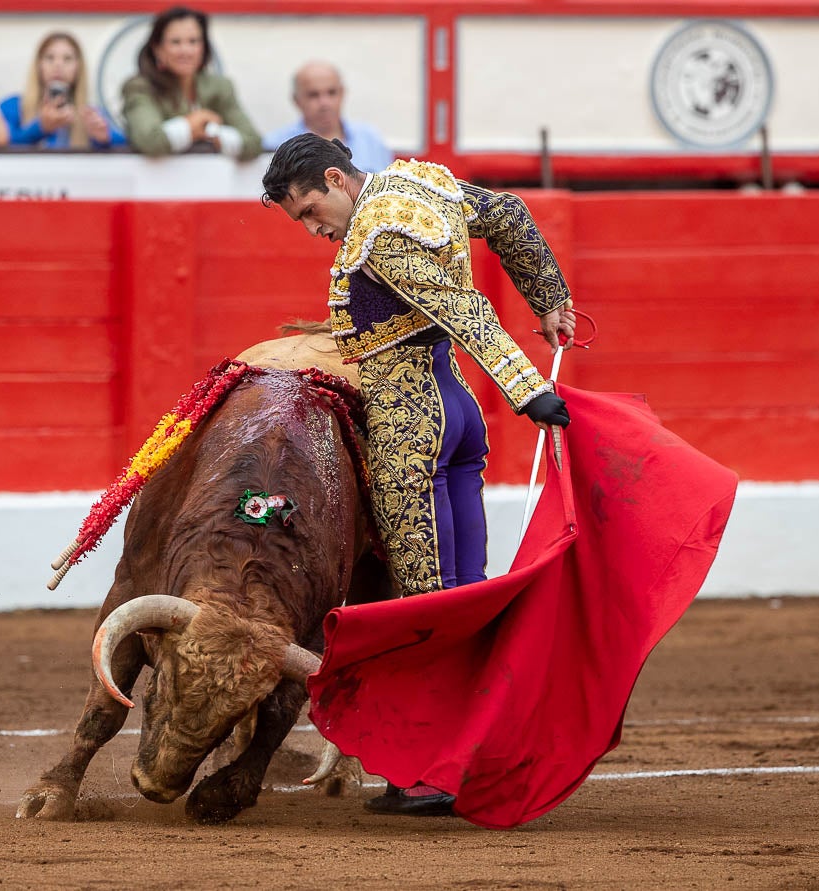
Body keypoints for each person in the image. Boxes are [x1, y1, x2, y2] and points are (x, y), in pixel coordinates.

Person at [261, 134, 576, 817]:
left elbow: (465, 312)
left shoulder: (379, 232)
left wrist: (528, 392)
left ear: (337, 179)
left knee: (426, 605)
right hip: (454, 413)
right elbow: (509, 215)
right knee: (466, 594)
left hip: (412, 428)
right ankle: (477, 754)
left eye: (312, 209)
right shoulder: (419, 186)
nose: (314, 228)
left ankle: (433, 773)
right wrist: (549, 296)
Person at [121, 6, 261, 160]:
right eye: (176, 42)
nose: (185, 51)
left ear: (203, 47)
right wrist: (192, 123)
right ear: (158, 49)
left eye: (193, 41)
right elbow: (150, 142)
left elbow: (253, 142)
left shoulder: (220, 86)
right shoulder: (139, 87)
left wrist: (212, 131)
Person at [0, 32, 125, 149]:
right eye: (50, 58)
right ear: (39, 65)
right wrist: (40, 128)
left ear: (78, 68)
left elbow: (129, 143)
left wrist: (105, 138)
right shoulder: (13, 107)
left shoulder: (91, 116)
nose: (58, 65)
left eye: (67, 59)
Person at [263, 61, 392, 172]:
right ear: (296, 100)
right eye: (313, 95)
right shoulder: (274, 145)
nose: (324, 103)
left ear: (342, 93)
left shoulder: (371, 139)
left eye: (331, 92)